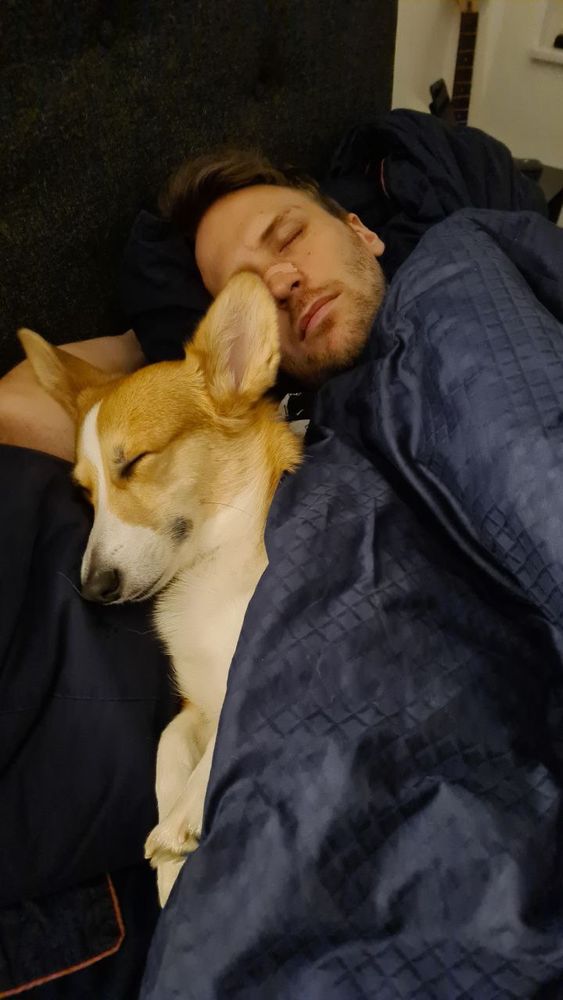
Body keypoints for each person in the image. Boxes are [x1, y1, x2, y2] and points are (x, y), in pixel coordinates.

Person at [0, 150, 389, 460]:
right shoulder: (289, 418)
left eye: (289, 237)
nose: (279, 282)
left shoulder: (441, 254)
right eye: (246, 291)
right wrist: (143, 343)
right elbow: (13, 408)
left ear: (361, 231)